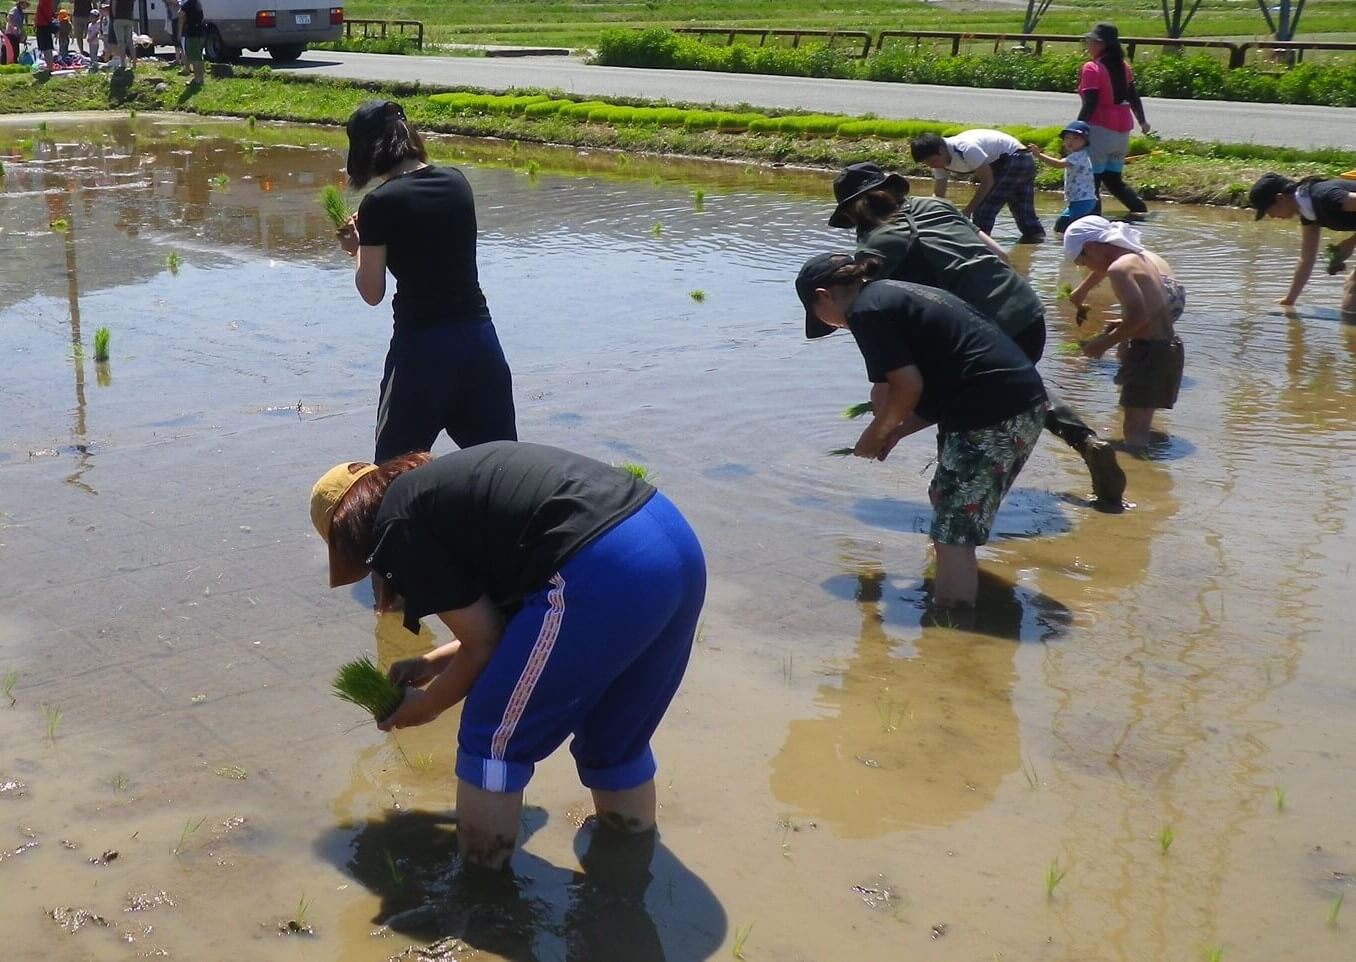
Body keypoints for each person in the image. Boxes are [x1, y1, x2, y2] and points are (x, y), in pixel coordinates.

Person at [310, 442, 707, 869]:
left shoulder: (398, 525)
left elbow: (485, 642)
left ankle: (482, 890)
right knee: (615, 742)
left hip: (603, 564)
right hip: (672, 546)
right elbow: (509, 626)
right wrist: (431, 664)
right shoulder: (442, 495)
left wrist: (428, 705)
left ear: (351, 532)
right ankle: (627, 873)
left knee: (491, 739)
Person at [828, 162, 1126, 504]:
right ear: (894, 189)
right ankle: (1085, 440)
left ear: (852, 215)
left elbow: (888, 321)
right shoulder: (937, 205)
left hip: (978, 329)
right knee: (1013, 384)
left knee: (963, 399)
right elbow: (998, 253)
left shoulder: (874, 249)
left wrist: (887, 419)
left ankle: (953, 500)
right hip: (1025, 311)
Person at [796, 253, 1049, 607]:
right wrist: (896, 432)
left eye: (822, 319)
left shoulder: (865, 311)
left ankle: (951, 626)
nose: (835, 327)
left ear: (823, 295)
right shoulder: (892, 294)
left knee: (954, 534)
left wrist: (873, 434)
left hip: (994, 412)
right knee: (945, 502)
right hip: (1017, 402)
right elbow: (945, 385)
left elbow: (907, 387)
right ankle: (948, 586)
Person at [336, 100, 517, 462]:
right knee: (502, 470)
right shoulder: (457, 182)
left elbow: (372, 292)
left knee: (390, 480)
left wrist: (356, 247)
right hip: (479, 343)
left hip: (422, 353)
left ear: (367, 151)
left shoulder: (379, 204)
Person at [1064, 217, 1185, 451]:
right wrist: (1122, 325)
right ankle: (1144, 475)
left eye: (1083, 261)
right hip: (1169, 348)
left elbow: (1139, 319)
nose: (1086, 268)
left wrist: (1101, 344)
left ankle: (1138, 480)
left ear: (1092, 248)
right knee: (1140, 423)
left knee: (1134, 433)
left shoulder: (1118, 269)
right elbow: (1156, 307)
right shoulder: (1138, 259)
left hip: (1149, 354)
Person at [1249, 172, 1356, 321]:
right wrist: (1289, 300)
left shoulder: (1325, 197)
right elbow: (1306, 258)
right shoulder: (1308, 213)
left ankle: (1349, 337)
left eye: (1269, 211)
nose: (1271, 217)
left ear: (1280, 198)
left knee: (1353, 285)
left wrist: (1350, 243)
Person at [910, 128, 1045, 243]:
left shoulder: (965, 149)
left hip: (1016, 159)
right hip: (1016, 161)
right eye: (925, 163)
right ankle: (1035, 243)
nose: (931, 165)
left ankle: (980, 248)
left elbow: (987, 181)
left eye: (931, 160)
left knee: (983, 211)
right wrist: (926, 214)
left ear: (941, 150)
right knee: (1024, 214)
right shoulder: (939, 160)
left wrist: (968, 210)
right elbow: (939, 196)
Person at [1078, 22, 1151, 216]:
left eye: (1089, 41)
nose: (1087, 45)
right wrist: (1142, 121)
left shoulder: (1092, 68)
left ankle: (1094, 225)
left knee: (1091, 183)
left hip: (1100, 131)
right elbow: (1134, 96)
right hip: (1121, 134)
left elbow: (1090, 103)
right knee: (1113, 180)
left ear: (1101, 44)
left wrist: (1077, 129)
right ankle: (1139, 212)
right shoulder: (1123, 66)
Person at [1029, 120, 1098, 234]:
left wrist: (1039, 155)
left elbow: (1058, 164)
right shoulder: (1077, 154)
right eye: (1067, 138)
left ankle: (1068, 245)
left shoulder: (1078, 156)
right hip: (1080, 200)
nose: (1070, 141)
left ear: (1085, 141)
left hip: (1082, 200)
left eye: (1075, 138)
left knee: (1063, 226)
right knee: (1065, 225)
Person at [178, 0, 202, 85]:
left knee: (194, 57)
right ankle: (200, 78)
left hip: (192, 33)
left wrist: (179, 33)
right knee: (199, 56)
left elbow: (180, 15)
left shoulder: (187, 4)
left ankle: (197, 79)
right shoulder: (197, 3)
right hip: (200, 32)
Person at [109, 0, 132, 69]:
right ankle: (133, 63)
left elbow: (113, 5)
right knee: (129, 42)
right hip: (129, 18)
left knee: (120, 42)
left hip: (118, 19)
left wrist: (115, 17)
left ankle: (122, 63)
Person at [3, 1, 26, 67]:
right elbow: (9, 18)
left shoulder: (21, 12)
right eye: (24, 4)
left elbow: (20, 25)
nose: (25, 6)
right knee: (11, 49)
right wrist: (13, 27)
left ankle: (15, 62)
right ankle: (8, 62)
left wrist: (23, 33)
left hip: (16, 34)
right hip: (10, 33)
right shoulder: (14, 10)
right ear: (20, 4)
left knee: (16, 49)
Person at [31, 0, 50, 70]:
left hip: (43, 25)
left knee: (46, 48)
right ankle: (49, 67)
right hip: (42, 25)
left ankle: (49, 68)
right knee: (45, 48)